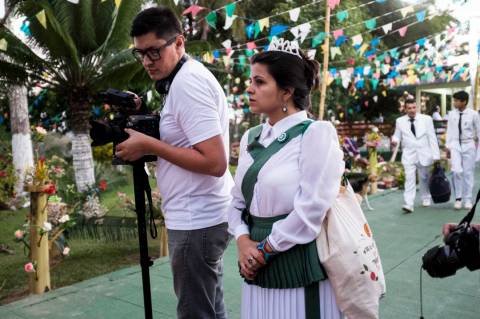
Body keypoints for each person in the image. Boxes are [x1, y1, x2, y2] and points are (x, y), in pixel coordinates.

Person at [116, 7, 233, 318]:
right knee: (210, 308)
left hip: (198, 219)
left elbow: (215, 162)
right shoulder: (180, 80)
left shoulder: (188, 85)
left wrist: (149, 145)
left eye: (154, 51)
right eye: (139, 53)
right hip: (201, 215)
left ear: (179, 42)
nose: (146, 61)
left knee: (198, 313)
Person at [228, 37, 345, 319]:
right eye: (251, 81)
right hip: (253, 265)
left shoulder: (315, 134)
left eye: (259, 82)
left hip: (296, 263)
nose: (249, 88)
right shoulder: (250, 138)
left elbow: (311, 210)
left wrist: (264, 250)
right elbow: (235, 203)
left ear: (286, 92)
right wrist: (244, 243)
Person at [391, 98, 440, 213]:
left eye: (414, 107)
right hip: (409, 154)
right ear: (405, 109)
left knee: (424, 177)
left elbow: (432, 137)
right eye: (409, 108)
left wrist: (436, 155)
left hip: (424, 153)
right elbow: (397, 135)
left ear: (416, 107)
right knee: (409, 179)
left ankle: (426, 197)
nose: (412, 110)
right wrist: (394, 140)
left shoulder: (426, 119)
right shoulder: (400, 121)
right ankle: (409, 203)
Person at [446, 91, 480, 210]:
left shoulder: (473, 114)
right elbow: (449, 131)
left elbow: (479, 130)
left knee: (468, 173)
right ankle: (458, 199)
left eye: (456, 101)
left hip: (468, 144)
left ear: (464, 102)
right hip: (455, 144)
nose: (454, 103)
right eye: (454, 100)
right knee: (457, 171)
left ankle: (468, 199)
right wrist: (447, 146)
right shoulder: (451, 114)